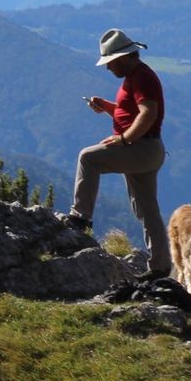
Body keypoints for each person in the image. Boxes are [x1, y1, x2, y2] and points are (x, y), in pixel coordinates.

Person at [65, 28, 169, 277]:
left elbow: (148, 114)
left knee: (88, 158)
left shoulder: (142, 77)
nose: (108, 68)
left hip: (140, 147)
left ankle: (81, 217)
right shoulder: (136, 77)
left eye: (110, 63)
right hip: (147, 148)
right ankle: (160, 267)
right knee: (147, 209)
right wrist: (107, 107)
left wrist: (124, 139)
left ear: (123, 57)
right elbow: (132, 114)